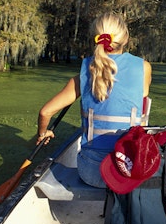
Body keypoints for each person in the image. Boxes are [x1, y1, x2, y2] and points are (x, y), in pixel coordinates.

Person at [36, 12, 152, 188]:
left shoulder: (83, 73)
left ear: (95, 39)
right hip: (129, 171)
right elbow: (142, 95)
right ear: (126, 39)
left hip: (91, 173)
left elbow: (45, 112)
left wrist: (43, 133)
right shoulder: (143, 67)